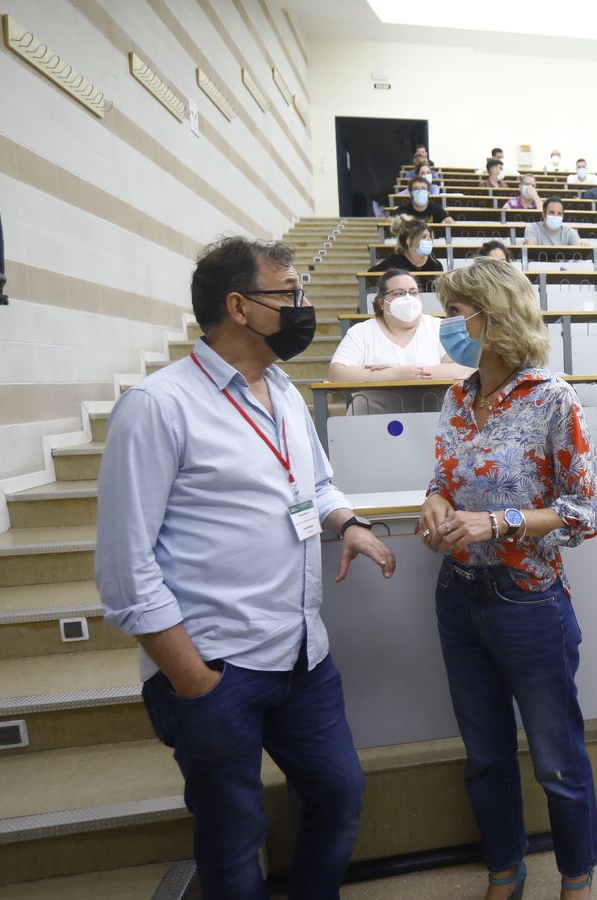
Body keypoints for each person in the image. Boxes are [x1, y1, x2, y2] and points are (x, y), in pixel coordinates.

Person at [97, 236, 395, 899]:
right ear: (238, 306)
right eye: (288, 293)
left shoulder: (284, 390)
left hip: (302, 659)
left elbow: (316, 486)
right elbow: (126, 569)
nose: (302, 306)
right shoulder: (157, 407)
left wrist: (347, 524)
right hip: (216, 669)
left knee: (340, 796)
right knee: (233, 843)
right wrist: (193, 680)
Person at [417, 258, 597, 899]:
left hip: (526, 598)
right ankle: (505, 870)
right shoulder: (457, 396)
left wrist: (497, 523)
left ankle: (576, 877)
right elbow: (443, 481)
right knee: (485, 755)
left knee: (557, 758)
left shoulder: (552, 396)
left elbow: (586, 513)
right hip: (457, 592)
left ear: (492, 317)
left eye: (456, 312)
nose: (448, 325)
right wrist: (434, 505)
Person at [329, 269, 472, 411]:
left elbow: (463, 368)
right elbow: (338, 373)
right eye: (399, 293)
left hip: (432, 417)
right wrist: (395, 374)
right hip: (370, 418)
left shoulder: (438, 327)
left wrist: (412, 374)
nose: (408, 298)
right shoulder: (361, 332)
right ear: (381, 303)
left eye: (413, 292)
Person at [371, 216, 445, 274]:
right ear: (409, 241)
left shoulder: (436, 265)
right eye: (424, 237)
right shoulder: (395, 262)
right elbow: (371, 275)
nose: (429, 241)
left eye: (430, 237)